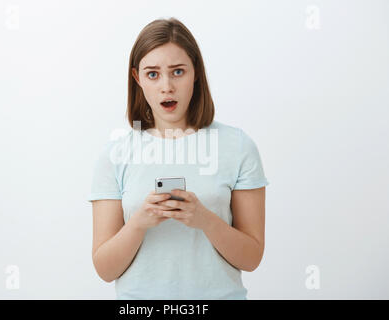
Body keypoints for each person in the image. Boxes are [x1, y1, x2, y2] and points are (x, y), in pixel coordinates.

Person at [88, 17, 269, 300]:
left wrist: (205, 220)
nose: (167, 86)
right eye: (152, 74)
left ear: (195, 72)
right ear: (137, 79)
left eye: (178, 72)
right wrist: (139, 222)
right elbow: (105, 269)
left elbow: (252, 258)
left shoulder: (238, 146)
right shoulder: (115, 155)